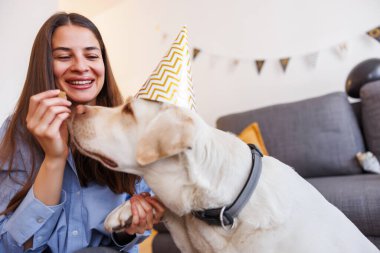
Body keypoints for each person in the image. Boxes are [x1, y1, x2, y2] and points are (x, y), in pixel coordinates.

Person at [0, 12, 165, 253]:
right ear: (44, 65)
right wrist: (54, 159)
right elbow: (8, 247)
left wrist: (128, 227)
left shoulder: (129, 127)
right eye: (64, 56)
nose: (81, 66)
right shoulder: (16, 133)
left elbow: (134, 231)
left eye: (91, 56)